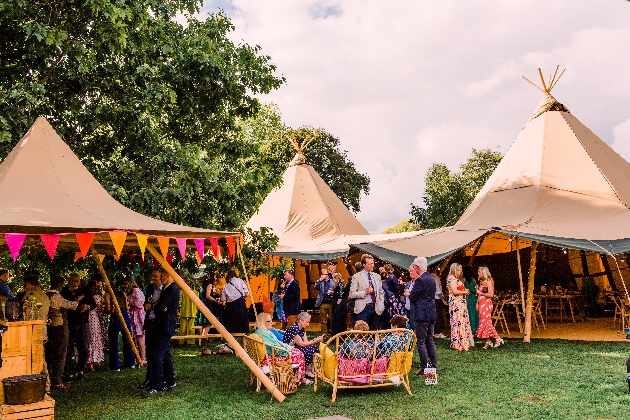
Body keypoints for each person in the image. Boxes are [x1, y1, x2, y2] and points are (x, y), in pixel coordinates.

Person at [143, 271, 179, 397]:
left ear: (169, 276)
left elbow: (160, 306)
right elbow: (160, 307)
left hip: (165, 326)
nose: (160, 279)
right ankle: (170, 381)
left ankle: (157, 385)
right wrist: (159, 306)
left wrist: (157, 306)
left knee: (157, 355)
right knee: (165, 354)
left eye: (162, 276)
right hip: (160, 325)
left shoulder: (172, 289)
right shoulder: (167, 289)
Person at [254, 312, 308, 385]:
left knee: (297, 351)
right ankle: (299, 379)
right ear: (262, 322)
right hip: (270, 358)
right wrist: (288, 348)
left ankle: (297, 377)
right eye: (269, 321)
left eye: (271, 320)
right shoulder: (263, 333)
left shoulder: (262, 331)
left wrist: (287, 347)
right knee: (299, 354)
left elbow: (275, 345)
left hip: (270, 355)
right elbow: (276, 348)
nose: (271, 323)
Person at [46, 275, 80, 390]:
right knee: (61, 353)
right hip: (59, 327)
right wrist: (77, 300)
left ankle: (48, 377)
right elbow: (71, 305)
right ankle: (57, 380)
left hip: (49, 327)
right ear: (60, 286)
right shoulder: (56, 296)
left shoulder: (46, 295)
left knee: (50, 352)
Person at [61, 273, 95, 381]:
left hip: (83, 322)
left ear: (79, 281)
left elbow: (93, 304)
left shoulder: (86, 290)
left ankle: (81, 370)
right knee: (68, 348)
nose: (73, 283)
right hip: (69, 322)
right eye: (71, 281)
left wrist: (87, 306)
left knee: (84, 347)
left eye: (75, 281)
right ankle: (69, 372)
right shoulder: (64, 291)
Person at [408, 257, 437, 377]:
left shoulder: (420, 280)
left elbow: (413, 296)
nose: (414, 268)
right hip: (431, 312)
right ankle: (433, 366)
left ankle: (425, 367)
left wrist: (410, 294)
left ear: (418, 267)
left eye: (414, 266)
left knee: (421, 342)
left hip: (422, 313)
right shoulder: (431, 279)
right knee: (430, 340)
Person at [22, 276, 51, 390]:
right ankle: (41, 383)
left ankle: (46, 384)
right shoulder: (43, 296)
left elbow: (30, 315)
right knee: (39, 358)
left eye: (25, 285)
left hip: (35, 331)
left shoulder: (33, 296)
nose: (24, 288)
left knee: (39, 359)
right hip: (40, 331)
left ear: (29, 284)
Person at [282, 312, 324, 378]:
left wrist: (315, 339)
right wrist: (315, 341)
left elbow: (306, 341)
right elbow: (301, 344)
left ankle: (311, 369)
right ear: (301, 320)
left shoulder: (302, 328)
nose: (308, 324)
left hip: (297, 346)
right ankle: (307, 370)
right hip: (290, 348)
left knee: (314, 348)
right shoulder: (294, 328)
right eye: (307, 322)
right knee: (309, 350)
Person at [349, 254, 384, 330]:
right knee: (363, 334)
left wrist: (381, 304)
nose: (372, 265)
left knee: (374, 332)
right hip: (363, 309)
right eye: (370, 264)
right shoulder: (356, 277)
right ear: (363, 264)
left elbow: (381, 292)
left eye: (373, 263)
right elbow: (351, 294)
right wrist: (365, 292)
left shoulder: (377, 276)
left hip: (376, 308)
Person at [106, 279, 135, 371]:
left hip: (116, 315)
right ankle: (130, 363)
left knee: (113, 340)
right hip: (125, 314)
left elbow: (108, 309)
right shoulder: (122, 294)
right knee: (127, 338)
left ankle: (115, 365)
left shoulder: (108, 295)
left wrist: (106, 311)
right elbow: (127, 307)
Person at [140, 268, 162, 390]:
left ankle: (160, 378)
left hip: (159, 324)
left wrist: (153, 306)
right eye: (152, 275)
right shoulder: (149, 288)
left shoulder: (164, 289)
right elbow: (145, 304)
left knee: (158, 354)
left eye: (156, 276)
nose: (153, 278)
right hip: (150, 323)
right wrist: (146, 306)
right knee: (150, 352)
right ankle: (149, 378)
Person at [446, 263, 473, 351]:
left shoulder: (454, 279)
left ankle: (462, 341)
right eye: (459, 270)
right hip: (456, 303)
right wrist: (465, 292)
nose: (460, 272)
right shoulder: (452, 279)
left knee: (460, 321)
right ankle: (458, 343)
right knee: (458, 321)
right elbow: (455, 291)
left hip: (459, 302)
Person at [476, 266, 503, 349]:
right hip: (481, 304)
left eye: (480, 272)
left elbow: (491, 294)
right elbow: (478, 295)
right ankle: (488, 341)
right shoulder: (481, 283)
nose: (478, 273)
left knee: (486, 323)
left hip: (486, 304)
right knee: (483, 322)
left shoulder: (489, 281)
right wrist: (477, 303)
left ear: (484, 273)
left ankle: (497, 338)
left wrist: (480, 293)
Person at [195, 273, 220, 355]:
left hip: (202, 304)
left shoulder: (203, 284)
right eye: (215, 276)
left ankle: (204, 348)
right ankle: (205, 349)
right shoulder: (209, 284)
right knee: (207, 327)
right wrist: (215, 300)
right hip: (207, 305)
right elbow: (208, 295)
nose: (216, 277)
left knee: (203, 328)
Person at [86, 280, 105, 372]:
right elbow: (101, 309)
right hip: (94, 317)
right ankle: (93, 360)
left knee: (88, 338)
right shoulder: (98, 297)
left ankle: (89, 360)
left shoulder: (86, 296)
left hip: (86, 317)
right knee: (94, 338)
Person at [126, 279, 146, 364]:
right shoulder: (130, 292)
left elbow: (140, 303)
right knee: (134, 337)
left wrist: (131, 303)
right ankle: (136, 356)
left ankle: (143, 357)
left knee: (139, 337)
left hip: (138, 316)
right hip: (133, 315)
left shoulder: (136, 291)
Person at [381, 264, 404, 329]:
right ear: (391, 269)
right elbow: (398, 288)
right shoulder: (392, 277)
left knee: (386, 315)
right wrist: (401, 284)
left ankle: (386, 329)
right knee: (394, 315)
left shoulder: (384, 278)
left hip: (385, 298)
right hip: (393, 298)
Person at [178, 276, 198, 345]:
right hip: (193, 311)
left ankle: (181, 340)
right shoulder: (195, 293)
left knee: (182, 326)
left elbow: (179, 302)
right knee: (191, 327)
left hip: (184, 310)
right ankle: (191, 341)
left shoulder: (182, 292)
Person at [314, 268, 333, 334]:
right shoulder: (320, 282)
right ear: (321, 275)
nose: (326, 275)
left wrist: (332, 292)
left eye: (326, 274)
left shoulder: (332, 281)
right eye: (324, 274)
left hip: (331, 303)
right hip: (322, 303)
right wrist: (320, 280)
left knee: (332, 320)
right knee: (323, 321)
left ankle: (333, 335)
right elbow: (315, 287)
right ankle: (324, 336)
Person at [463, 266, 479, 335]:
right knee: (474, 314)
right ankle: (475, 329)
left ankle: (471, 330)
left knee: (469, 314)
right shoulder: (473, 280)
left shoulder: (463, 280)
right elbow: (476, 289)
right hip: (474, 297)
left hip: (468, 297)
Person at [431, 270, 448, 339]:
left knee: (433, 316)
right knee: (438, 316)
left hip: (431, 299)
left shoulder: (428, 276)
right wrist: (443, 300)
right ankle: (437, 332)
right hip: (437, 299)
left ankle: (433, 331)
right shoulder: (435, 277)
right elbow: (438, 291)